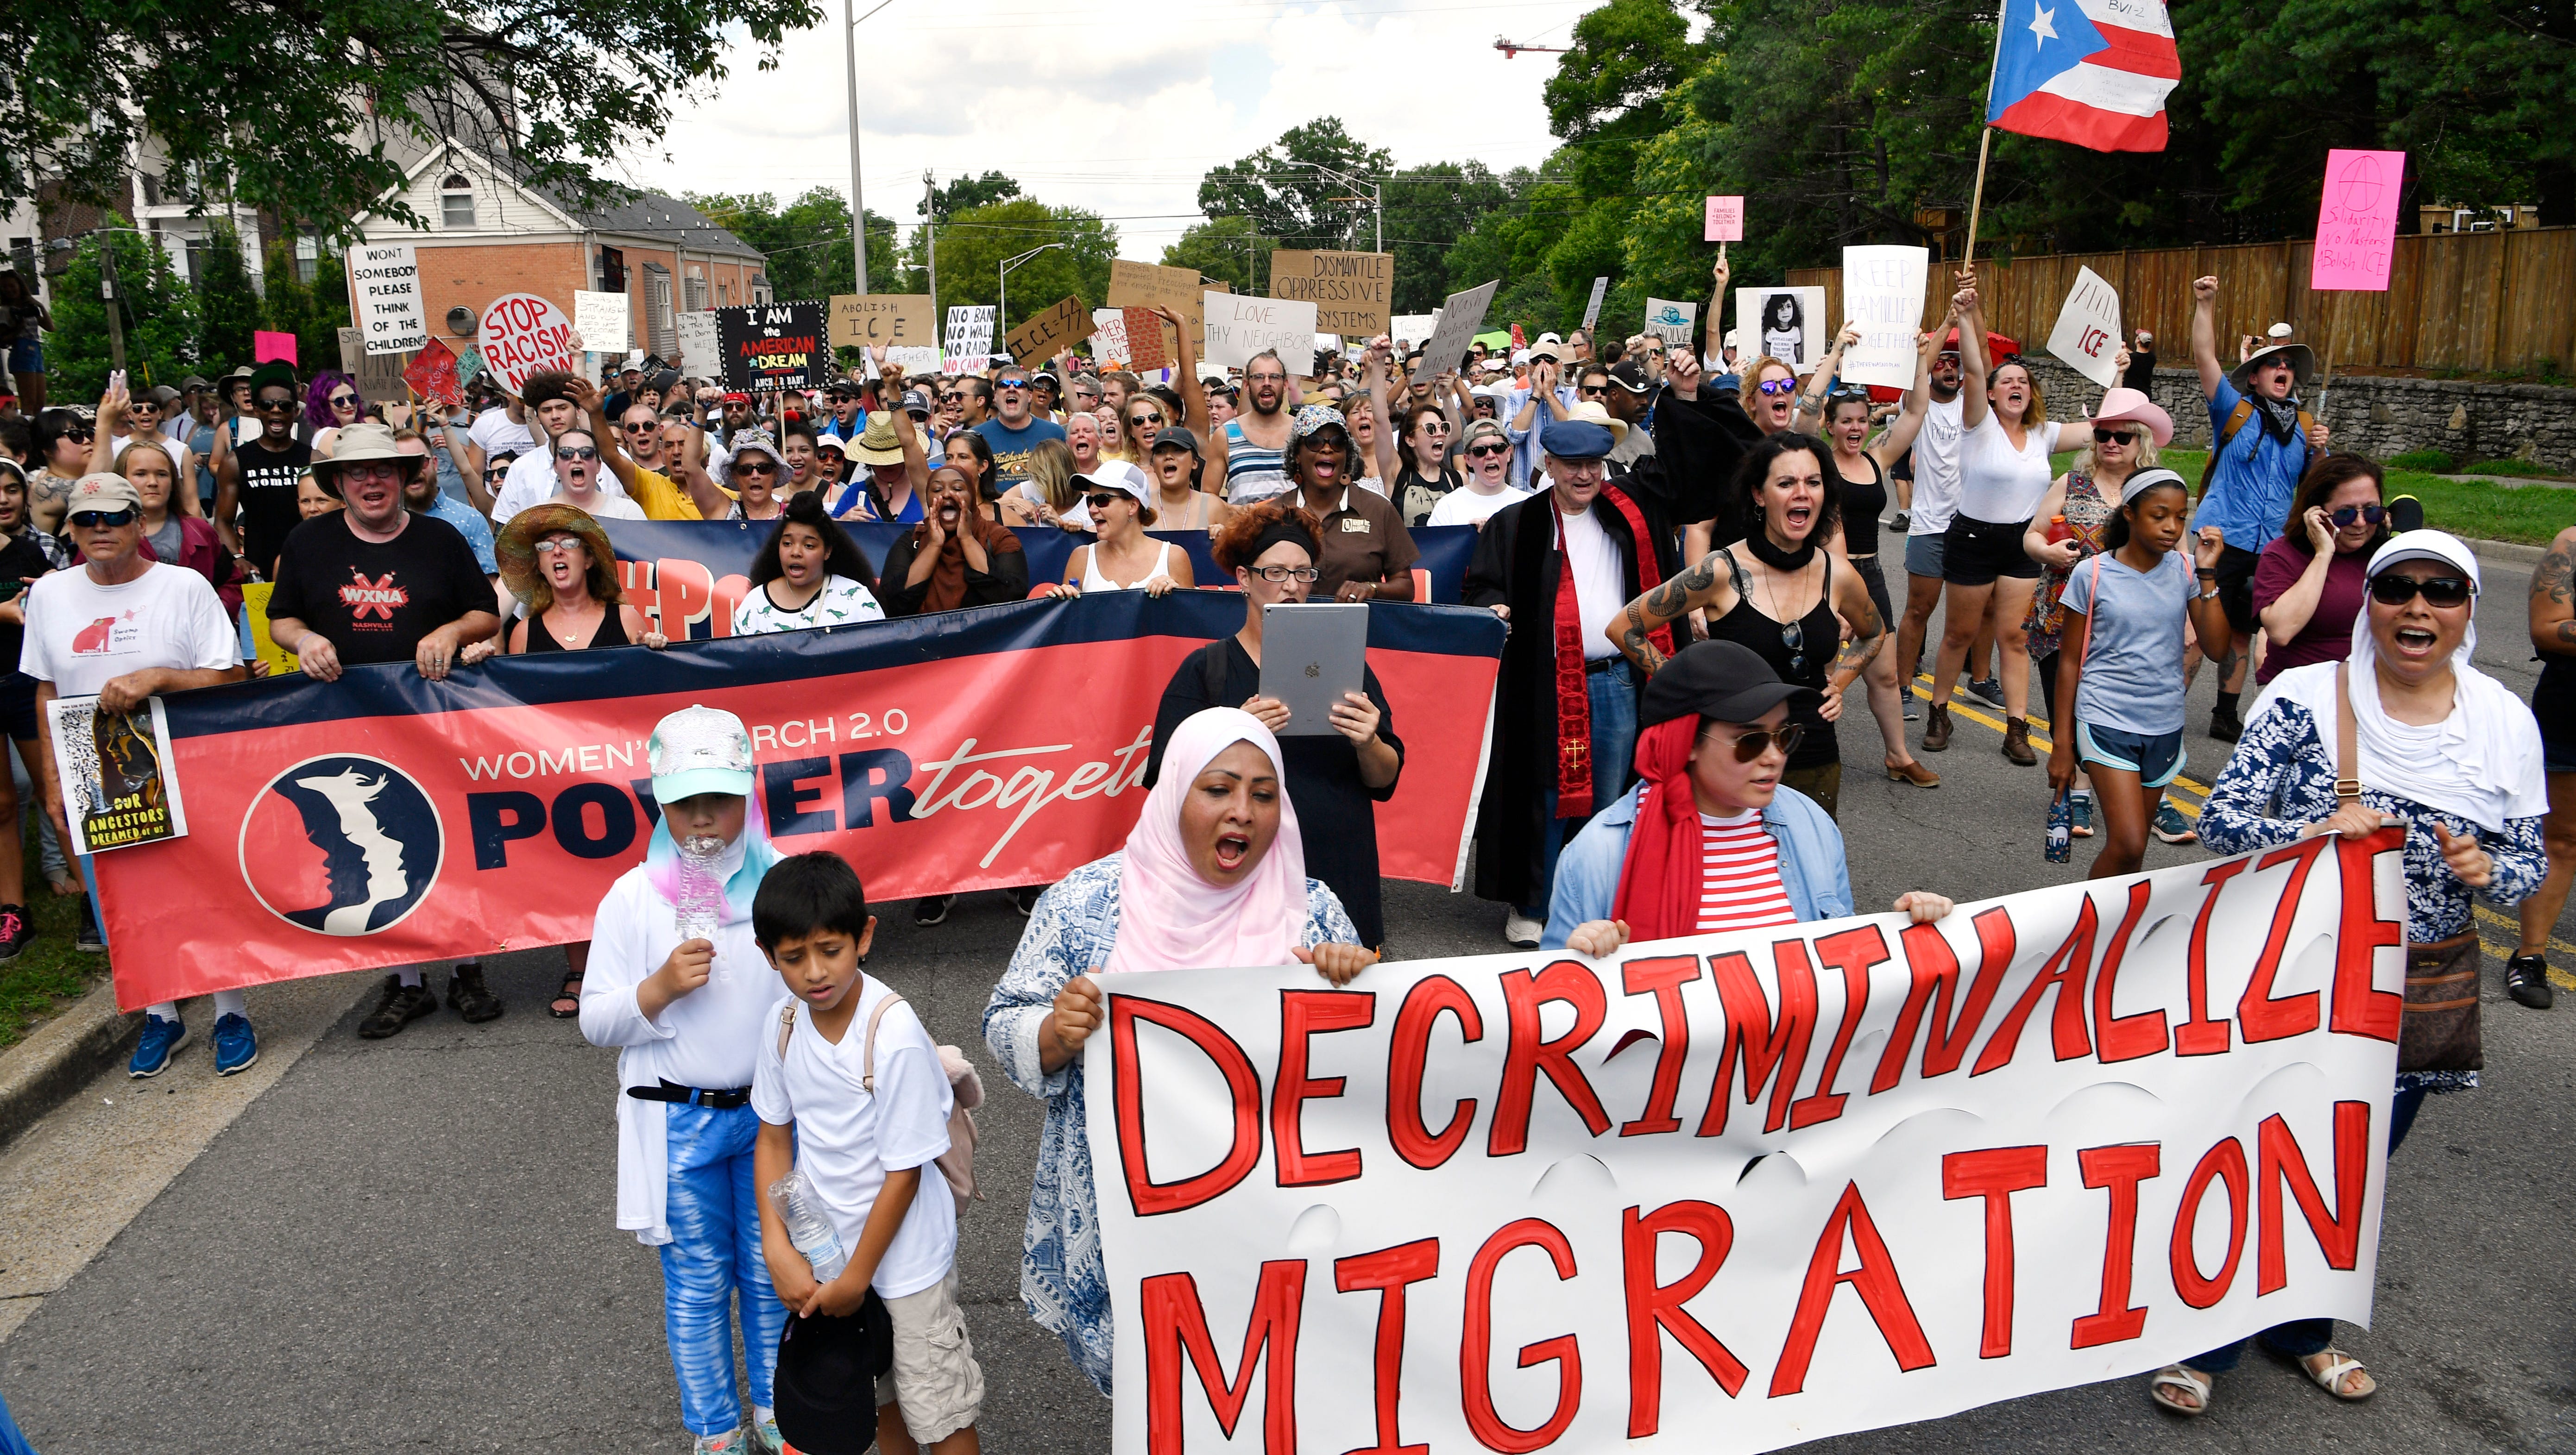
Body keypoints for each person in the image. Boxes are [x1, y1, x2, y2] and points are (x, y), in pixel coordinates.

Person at [2156, 528, 2545, 1417]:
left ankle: (2300, 1332)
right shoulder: (2304, 698)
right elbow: (2220, 818)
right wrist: (2305, 833)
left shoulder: (2502, 722)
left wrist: (2488, 870)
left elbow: (2528, 864)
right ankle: (2202, 1338)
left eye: (2441, 592)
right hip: (2291, 971)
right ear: (2369, 602)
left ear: (2467, 611)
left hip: (2414, 986)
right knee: (2256, 1149)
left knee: (2348, 1169)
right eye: (2397, 588)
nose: (2418, 607)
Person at [981, 707, 1374, 1393]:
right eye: (1218, 788)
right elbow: (1004, 1017)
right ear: (1174, 793)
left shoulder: (1309, 912)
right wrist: (1054, 1031)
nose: (1243, 812)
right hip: (1130, 1217)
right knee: (1158, 1394)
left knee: (1270, 1384)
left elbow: (1374, 1065)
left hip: (1274, 1216)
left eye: (1263, 793)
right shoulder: (1084, 904)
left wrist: (1351, 982)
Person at [579, 705, 791, 1454]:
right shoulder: (634, 898)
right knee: (700, 1282)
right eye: (686, 800)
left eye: (721, 798)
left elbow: (814, 992)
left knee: (775, 1269)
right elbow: (595, 1017)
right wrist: (659, 988)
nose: (704, 818)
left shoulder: (780, 884)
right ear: (659, 801)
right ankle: (714, 1429)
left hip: (770, 1120)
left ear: (750, 790)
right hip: (680, 1123)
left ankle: (779, 1408)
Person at [264, 424, 505, 1039]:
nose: (371, 482)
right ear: (339, 483)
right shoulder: (307, 540)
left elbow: (483, 610)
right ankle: (406, 982)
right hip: (348, 718)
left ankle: (468, 968)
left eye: (383, 471)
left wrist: (453, 633)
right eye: (357, 473)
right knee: (373, 842)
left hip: (436, 714)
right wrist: (305, 638)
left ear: (404, 477)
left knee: (450, 836)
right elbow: (281, 617)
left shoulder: (441, 538)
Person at [1466, 409, 1741, 947]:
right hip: (1546, 685)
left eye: (1593, 463)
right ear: (1548, 465)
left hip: (1617, 679)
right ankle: (1535, 905)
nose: (1584, 475)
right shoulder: (1515, 524)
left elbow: (1688, 469)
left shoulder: (1629, 513)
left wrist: (1686, 396)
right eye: (1571, 465)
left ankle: (1596, 904)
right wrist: (1492, 606)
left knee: (1611, 800)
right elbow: (1478, 586)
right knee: (1548, 797)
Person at [751, 852, 984, 1455]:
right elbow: (774, 1136)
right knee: (876, 1400)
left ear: (865, 936)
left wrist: (858, 1278)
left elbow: (904, 1175)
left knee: (941, 1411)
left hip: (905, 1263)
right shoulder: (781, 1024)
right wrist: (777, 1245)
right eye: (793, 956)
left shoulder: (893, 1033)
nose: (814, 972)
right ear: (767, 954)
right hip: (832, 1253)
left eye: (830, 948)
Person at [26, 475, 247, 1062]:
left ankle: (231, 1011)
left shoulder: (184, 587)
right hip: (91, 758)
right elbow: (47, 688)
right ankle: (160, 1012)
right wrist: (52, 784)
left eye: (114, 518)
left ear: (138, 523)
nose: (101, 530)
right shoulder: (50, 594)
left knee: (201, 890)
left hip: (181, 755)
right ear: (71, 529)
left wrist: (158, 678)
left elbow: (230, 678)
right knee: (125, 900)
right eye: (86, 520)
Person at [1545, 641, 1953, 952]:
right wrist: (1579, 956)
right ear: (1684, 742)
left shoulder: (1809, 823)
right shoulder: (1598, 852)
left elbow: (1838, 958)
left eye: (1785, 735)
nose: (1774, 757)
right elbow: (1549, 1008)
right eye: (1750, 740)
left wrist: (1902, 934)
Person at [1148, 505, 1404, 946]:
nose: (1291, 585)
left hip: (1340, 868)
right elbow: (1164, 786)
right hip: (1239, 878)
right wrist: (1232, 732)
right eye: (1276, 572)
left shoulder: (1345, 667)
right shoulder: (1206, 670)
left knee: (1342, 1007)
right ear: (1244, 579)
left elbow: (1385, 778)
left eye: (1304, 574)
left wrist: (1368, 743)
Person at [1607, 432, 1888, 816]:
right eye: (1786, 483)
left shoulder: (1837, 575)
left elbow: (1874, 633)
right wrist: (1684, 688)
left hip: (1813, 753)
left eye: (1813, 482)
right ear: (1758, 494)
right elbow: (1624, 627)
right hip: (1733, 758)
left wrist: (1838, 683)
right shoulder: (1719, 572)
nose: (1801, 494)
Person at [2042, 468, 2232, 877]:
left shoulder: (2185, 570)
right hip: (2105, 718)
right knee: (2127, 842)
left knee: (2134, 852)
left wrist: (2207, 573)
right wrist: (2061, 744)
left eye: (2180, 518)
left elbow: (2217, 649)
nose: (2171, 527)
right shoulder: (2091, 574)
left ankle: (2111, 934)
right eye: (2159, 515)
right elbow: (2069, 662)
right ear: (2129, 514)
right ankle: (2083, 927)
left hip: (2164, 723)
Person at [2023, 388, 2174, 841]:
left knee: (2127, 713)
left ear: (2140, 441)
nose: (2110, 443)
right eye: (2102, 434)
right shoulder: (2069, 485)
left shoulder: (2156, 490)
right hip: (2064, 613)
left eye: (2121, 436)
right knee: (2064, 709)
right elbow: (2030, 536)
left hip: (2132, 624)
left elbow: (2179, 553)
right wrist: (2046, 550)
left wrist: (2187, 614)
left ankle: (2143, 795)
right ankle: (2075, 792)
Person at [1923, 273, 2061, 765]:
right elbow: (1978, 369)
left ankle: (2016, 729)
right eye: (2008, 381)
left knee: (2014, 638)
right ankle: (1939, 712)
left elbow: (2103, 433)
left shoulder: (2044, 433)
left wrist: (2127, 378)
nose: (2016, 386)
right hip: (1972, 537)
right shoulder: (1977, 424)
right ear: (1992, 393)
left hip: (2020, 544)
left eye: (2023, 382)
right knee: (1958, 634)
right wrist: (1967, 311)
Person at [2188, 272, 2332, 741]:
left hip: (2271, 545)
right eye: (2274, 364)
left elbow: (2314, 488)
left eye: (2289, 364)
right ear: (2255, 375)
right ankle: (2166, 708)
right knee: (2195, 630)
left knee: (2242, 633)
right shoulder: (2234, 408)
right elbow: (2204, 357)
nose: (2283, 369)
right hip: (2221, 538)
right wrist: (2205, 305)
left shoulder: (2306, 425)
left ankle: (2224, 713)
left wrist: (2320, 451)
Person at [1820, 336, 1940, 788]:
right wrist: (1834, 355)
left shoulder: (1877, 457)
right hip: (1828, 576)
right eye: (1845, 421)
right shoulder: (1816, 463)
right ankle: (1815, 757)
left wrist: (1915, 360)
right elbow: (1804, 416)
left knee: (1885, 673)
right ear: (1829, 426)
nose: (1854, 428)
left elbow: (1914, 412)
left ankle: (1897, 755)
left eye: (1860, 420)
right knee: (1824, 670)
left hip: (1869, 575)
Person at [2254, 454, 2388, 685]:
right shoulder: (2282, 555)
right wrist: (2323, 554)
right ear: (2317, 514)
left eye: (2371, 511)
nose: (2360, 523)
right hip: (2300, 693)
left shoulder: (2384, 554)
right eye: (2346, 513)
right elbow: (2281, 631)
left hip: (2367, 692)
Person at [2513, 522, 2576, 1009]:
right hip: (2570, 711)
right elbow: (2546, 627)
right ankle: (2530, 956)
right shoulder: (2570, 544)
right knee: (2560, 838)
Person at [0, 461, 58, 956]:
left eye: (11, 489)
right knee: (1, 803)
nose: (3, 498)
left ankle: (92, 904)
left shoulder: (34, 549)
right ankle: (12, 910)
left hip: (25, 682)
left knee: (51, 791)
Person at [1276, 405, 1414, 602]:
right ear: (1297, 454)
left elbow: (1406, 587)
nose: (1327, 448)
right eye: (1315, 441)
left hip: (1361, 628)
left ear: (1347, 454)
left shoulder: (1378, 509)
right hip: (1289, 627)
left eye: (1337, 442)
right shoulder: (1274, 514)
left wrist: (1372, 588)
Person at [878, 466, 1030, 618]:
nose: (947, 494)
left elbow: (1013, 600)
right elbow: (890, 605)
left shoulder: (1000, 538)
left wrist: (967, 539)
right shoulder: (912, 541)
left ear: (972, 497)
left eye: (957, 488)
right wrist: (933, 545)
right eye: (937, 490)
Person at [731, 490, 886, 635]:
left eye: (809, 546)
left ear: (827, 551)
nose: (796, 552)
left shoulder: (859, 600)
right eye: (787, 543)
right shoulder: (754, 603)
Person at [211, 363, 312, 577]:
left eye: (284, 405)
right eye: (267, 404)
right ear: (257, 410)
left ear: (295, 411)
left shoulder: (313, 459)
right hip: (259, 571)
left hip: (307, 566)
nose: (276, 410)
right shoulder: (235, 462)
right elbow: (222, 521)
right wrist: (238, 558)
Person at [1048, 462, 1191, 597]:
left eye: (1102, 500)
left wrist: (1174, 597)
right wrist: (1061, 599)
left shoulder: (1173, 557)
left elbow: (1191, 620)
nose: (1092, 509)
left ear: (1133, 506)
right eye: (1089, 501)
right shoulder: (1081, 558)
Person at [1205, 349, 1295, 505]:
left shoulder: (1302, 431)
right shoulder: (1225, 435)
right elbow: (1208, 497)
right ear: (1246, 385)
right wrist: (1241, 512)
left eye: (1274, 377)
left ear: (1285, 384)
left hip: (1295, 528)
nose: (1267, 383)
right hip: (1245, 528)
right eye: (1259, 377)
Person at [971, 366, 1066, 489]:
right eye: (1004, 385)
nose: (1011, 388)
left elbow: (1064, 486)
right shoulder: (976, 436)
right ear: (995, 396)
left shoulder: (1055, 433)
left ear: (1030, 396)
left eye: (1019, 385)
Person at [1424, 419, 1530, 528]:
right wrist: (1468, 534)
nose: (1490, 455)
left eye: (1498, 448)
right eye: (1480, 451)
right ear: (1468, 459)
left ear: (1508, 454)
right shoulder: (1448, 506)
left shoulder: (1528, 504)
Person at [1142, 426, 1225, 532]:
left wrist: (1222, 538)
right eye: (1161, 452)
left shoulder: (1213, 506)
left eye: (1178, 450)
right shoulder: (1142, 507)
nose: (1168, 456)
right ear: (1152, 464)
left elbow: (1231, 547)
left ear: (1195, 463)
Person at [0, 271, 53, 414]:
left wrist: (40, 307)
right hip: (21, 351)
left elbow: (50, 328)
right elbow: (2, 341)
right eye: (4, 287)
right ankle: (25, 433)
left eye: (12, 286)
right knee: (29, 402)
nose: (9, 290)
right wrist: (18, 328)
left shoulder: (28, 307)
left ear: (19, 285)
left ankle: (35, 432)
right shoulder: (4, 311)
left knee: (40, 402)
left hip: (36, 350)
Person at [722, 431, 789, 522]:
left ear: (776, 473)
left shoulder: (793, 516)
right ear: (735, 476)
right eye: (745, 470)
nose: (755, 475)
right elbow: (695, 469)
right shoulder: (723, 511)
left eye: (764, 468)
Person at [304, 371, 363, 456]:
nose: (348, 405)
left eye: (352, 398)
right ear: (323, 405)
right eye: (339, 402)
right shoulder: (331, 436)